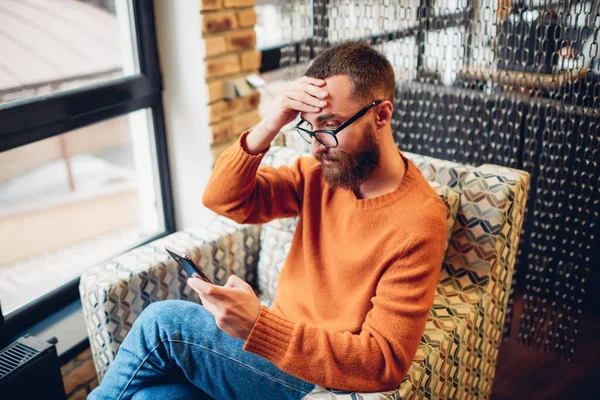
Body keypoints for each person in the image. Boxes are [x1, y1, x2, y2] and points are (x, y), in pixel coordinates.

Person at [88, 41, 447, 400]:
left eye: (331, 125)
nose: (316, 147)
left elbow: (381, 363)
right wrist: (273, 119)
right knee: (153, 398)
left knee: (163, 324)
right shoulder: (318, 176)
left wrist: (259, 325)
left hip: (316, 376)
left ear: (381, 115)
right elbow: (224, 200)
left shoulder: (418, 221)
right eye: (309, 128)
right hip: (271, 356)